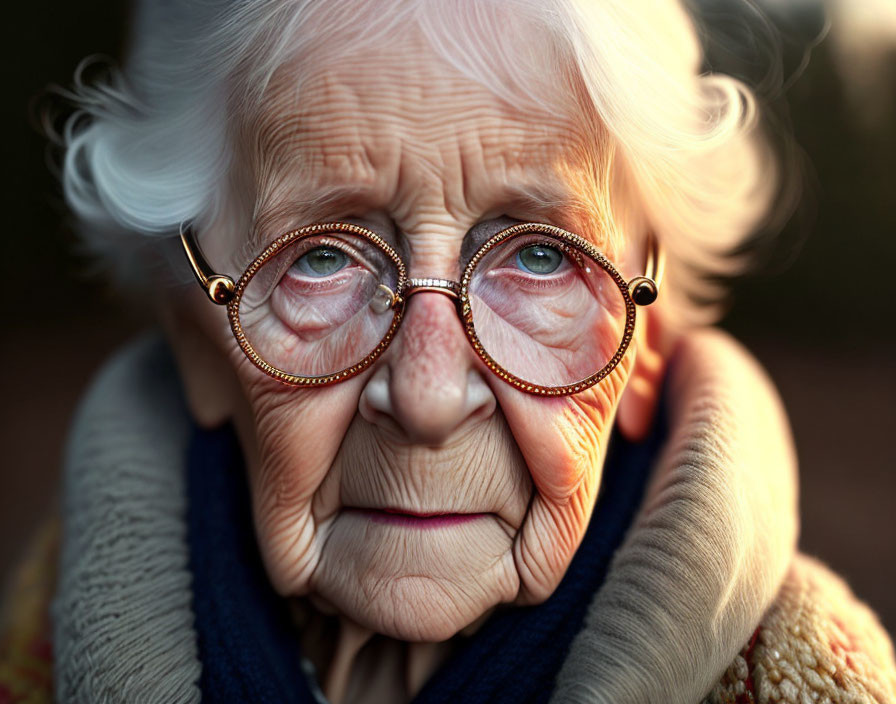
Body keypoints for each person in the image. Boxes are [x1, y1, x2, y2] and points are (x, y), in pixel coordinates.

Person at [1, 1, 894, 702]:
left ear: (647, 339)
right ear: (192, 332)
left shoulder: (814, 682)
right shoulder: (32, 643)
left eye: (543, 255)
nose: (426, 400)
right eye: (321, 255)